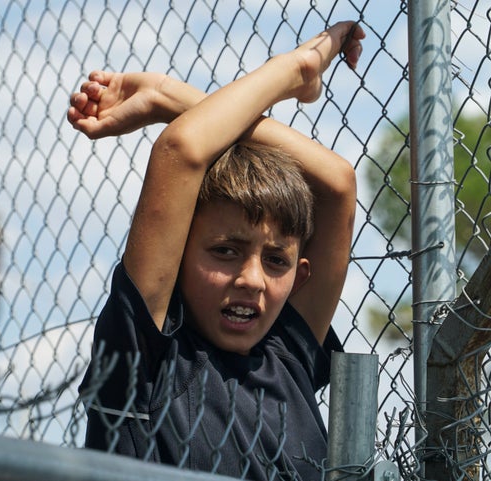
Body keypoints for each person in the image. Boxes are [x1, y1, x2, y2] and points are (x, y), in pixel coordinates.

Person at [67, 21, 365, 480]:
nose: (251, 279)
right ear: (176, 256)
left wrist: (174, 101)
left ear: (299, 276)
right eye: (225, 251)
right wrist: (292, 70)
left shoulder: (287, 356)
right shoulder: (146, 361)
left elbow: (339, 183)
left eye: (276, 261)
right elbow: (183, 148)